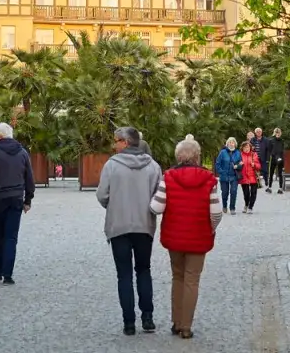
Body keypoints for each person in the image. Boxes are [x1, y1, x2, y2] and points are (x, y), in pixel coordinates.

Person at [150, 136, 221, 339]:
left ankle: (176, 322)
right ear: (197, 157)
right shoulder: (209, 179)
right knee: (192, 280)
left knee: (178, 277)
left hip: (174, 238)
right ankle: (187, 327)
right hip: (199, 238)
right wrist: (210, 229)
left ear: (178, 156)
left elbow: (156, 207)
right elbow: (216, 213)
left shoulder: (168, 177)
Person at [96, 125, 162, 336]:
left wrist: (114, 205)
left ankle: (129, 323)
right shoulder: (153, 166)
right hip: (144, 225)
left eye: (116, 141)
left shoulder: (111, 165)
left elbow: (102, 195)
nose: (114, 145)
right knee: (144, 270)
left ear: (125, 142)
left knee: (123, 274)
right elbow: (159, 197)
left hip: (119, 225)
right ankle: (148, 318)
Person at [0, 122, 35, 285]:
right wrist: (28, 199)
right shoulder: (23, 153)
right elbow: (29, 178)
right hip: (16, 198)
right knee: (11, 237)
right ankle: (8, 274)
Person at [214, 138, 243, 214]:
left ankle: (232, 208)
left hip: (234, 176)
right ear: (227, 144)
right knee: (224, 192)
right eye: (229, 142)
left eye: (233, 142)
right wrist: (221, 172)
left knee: (233, 191)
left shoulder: (238, 153)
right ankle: (224, 206)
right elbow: (217, 163)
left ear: (235, 144)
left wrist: (237, 166)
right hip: (224, 176)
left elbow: (241, 163)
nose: (231, 144)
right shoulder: (222, 152)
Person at [238, 140, 261, 214]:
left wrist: (254, 165)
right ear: (242, 148)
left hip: (253, 177)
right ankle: (246, 205)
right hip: (244, 177)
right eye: (245, 147)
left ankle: (250, 207)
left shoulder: (254, 154)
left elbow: (259, 166)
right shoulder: (240, 155)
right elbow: (236, 165)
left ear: (250, 147)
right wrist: (239, 164)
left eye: (248, 147)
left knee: (253, 193)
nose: (246, 149)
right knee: (246, 194)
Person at [265, 128, 286, 194]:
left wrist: (283, 161)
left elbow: (282, 151)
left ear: (280, 133)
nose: (278, 133)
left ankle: (280, 188)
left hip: (280, 158)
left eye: (279, 132)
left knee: (280, 174)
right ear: (274, 133)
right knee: (271, 173)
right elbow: (269, 150)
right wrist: (268, 159)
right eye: (276, 132)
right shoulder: (271, 140)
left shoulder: (282, 141)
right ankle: (269, 187)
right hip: (273, 158)